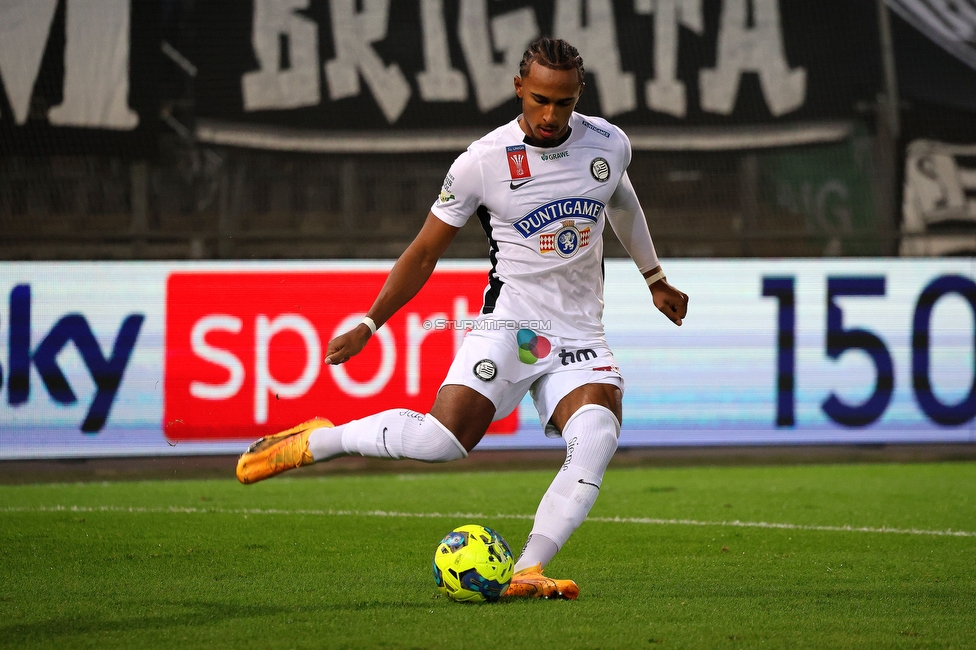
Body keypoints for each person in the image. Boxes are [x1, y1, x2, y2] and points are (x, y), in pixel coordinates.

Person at [236, 37, 689, 600]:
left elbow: (620, 199)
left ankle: (527, 568)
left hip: (578, 333)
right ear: (519, 88)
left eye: (565, 102)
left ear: (579, 96)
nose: (551, 115)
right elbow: (424, 252)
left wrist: (653, 277)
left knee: (597, 431)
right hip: (514, 326)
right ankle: (320, 442)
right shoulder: (482, 162)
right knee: (441, 441)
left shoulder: (607, 144)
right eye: (540, 99)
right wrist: (370, 323)